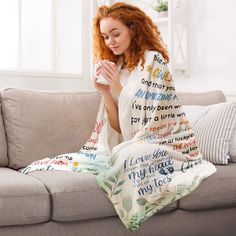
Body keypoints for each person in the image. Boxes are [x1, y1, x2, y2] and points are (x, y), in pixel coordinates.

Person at [92, 2, 169, 134]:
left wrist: (117, 88)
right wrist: (105, 92)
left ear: (133, 29)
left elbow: (154, 121)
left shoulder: (154, 61)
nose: (110, 42)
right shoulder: (117, 66)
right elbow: (117, 128)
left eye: (115, 34)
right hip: (125, 144)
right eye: (105, 37)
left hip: (150, 140)